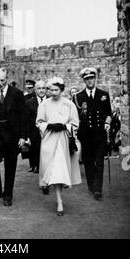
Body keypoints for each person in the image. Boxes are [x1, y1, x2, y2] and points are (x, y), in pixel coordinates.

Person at [0, 68, 27, 207]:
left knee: (10, 164)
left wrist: (23, 136)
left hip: (11, 134)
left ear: (7, 79)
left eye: (2, 80)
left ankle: (8, 194)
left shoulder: (17, 94)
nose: (0, 84)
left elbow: (23, 116)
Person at [36, 77, 81, 216]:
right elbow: (39, 122)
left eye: (57, 90)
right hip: (49, 139)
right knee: (51, 169)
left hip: (63, 140)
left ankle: (59, 201)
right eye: (51, 90)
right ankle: (59, 199)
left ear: (62, 90)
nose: (54, 93)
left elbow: (75, 123)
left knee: (59, 170)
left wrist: (64, 126)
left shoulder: (69, 104)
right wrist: (48, 125)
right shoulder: (44, 104)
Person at [73, 67, 112, 200]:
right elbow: (75, 116)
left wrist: (107, 123)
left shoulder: (103, 95)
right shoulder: (78, 96)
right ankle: (91, 185)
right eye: (87, 79)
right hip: (86, 135)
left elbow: (109, 113)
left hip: (100, 133)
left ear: (95, 79)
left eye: (91, 78)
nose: (90, 81)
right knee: (89, 162)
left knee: (99, 162)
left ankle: (98, 189)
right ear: (84, 80)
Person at [25, 80, 47, 173]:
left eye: (43, 88)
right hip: (34, 133)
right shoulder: (29, 103)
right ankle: (37, 166)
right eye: (39, 88)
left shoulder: (51, 100)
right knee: (36, 151)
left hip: (48, 132)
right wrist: (27, 136)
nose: (41, 90)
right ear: (35, 90)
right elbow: (26, 120)